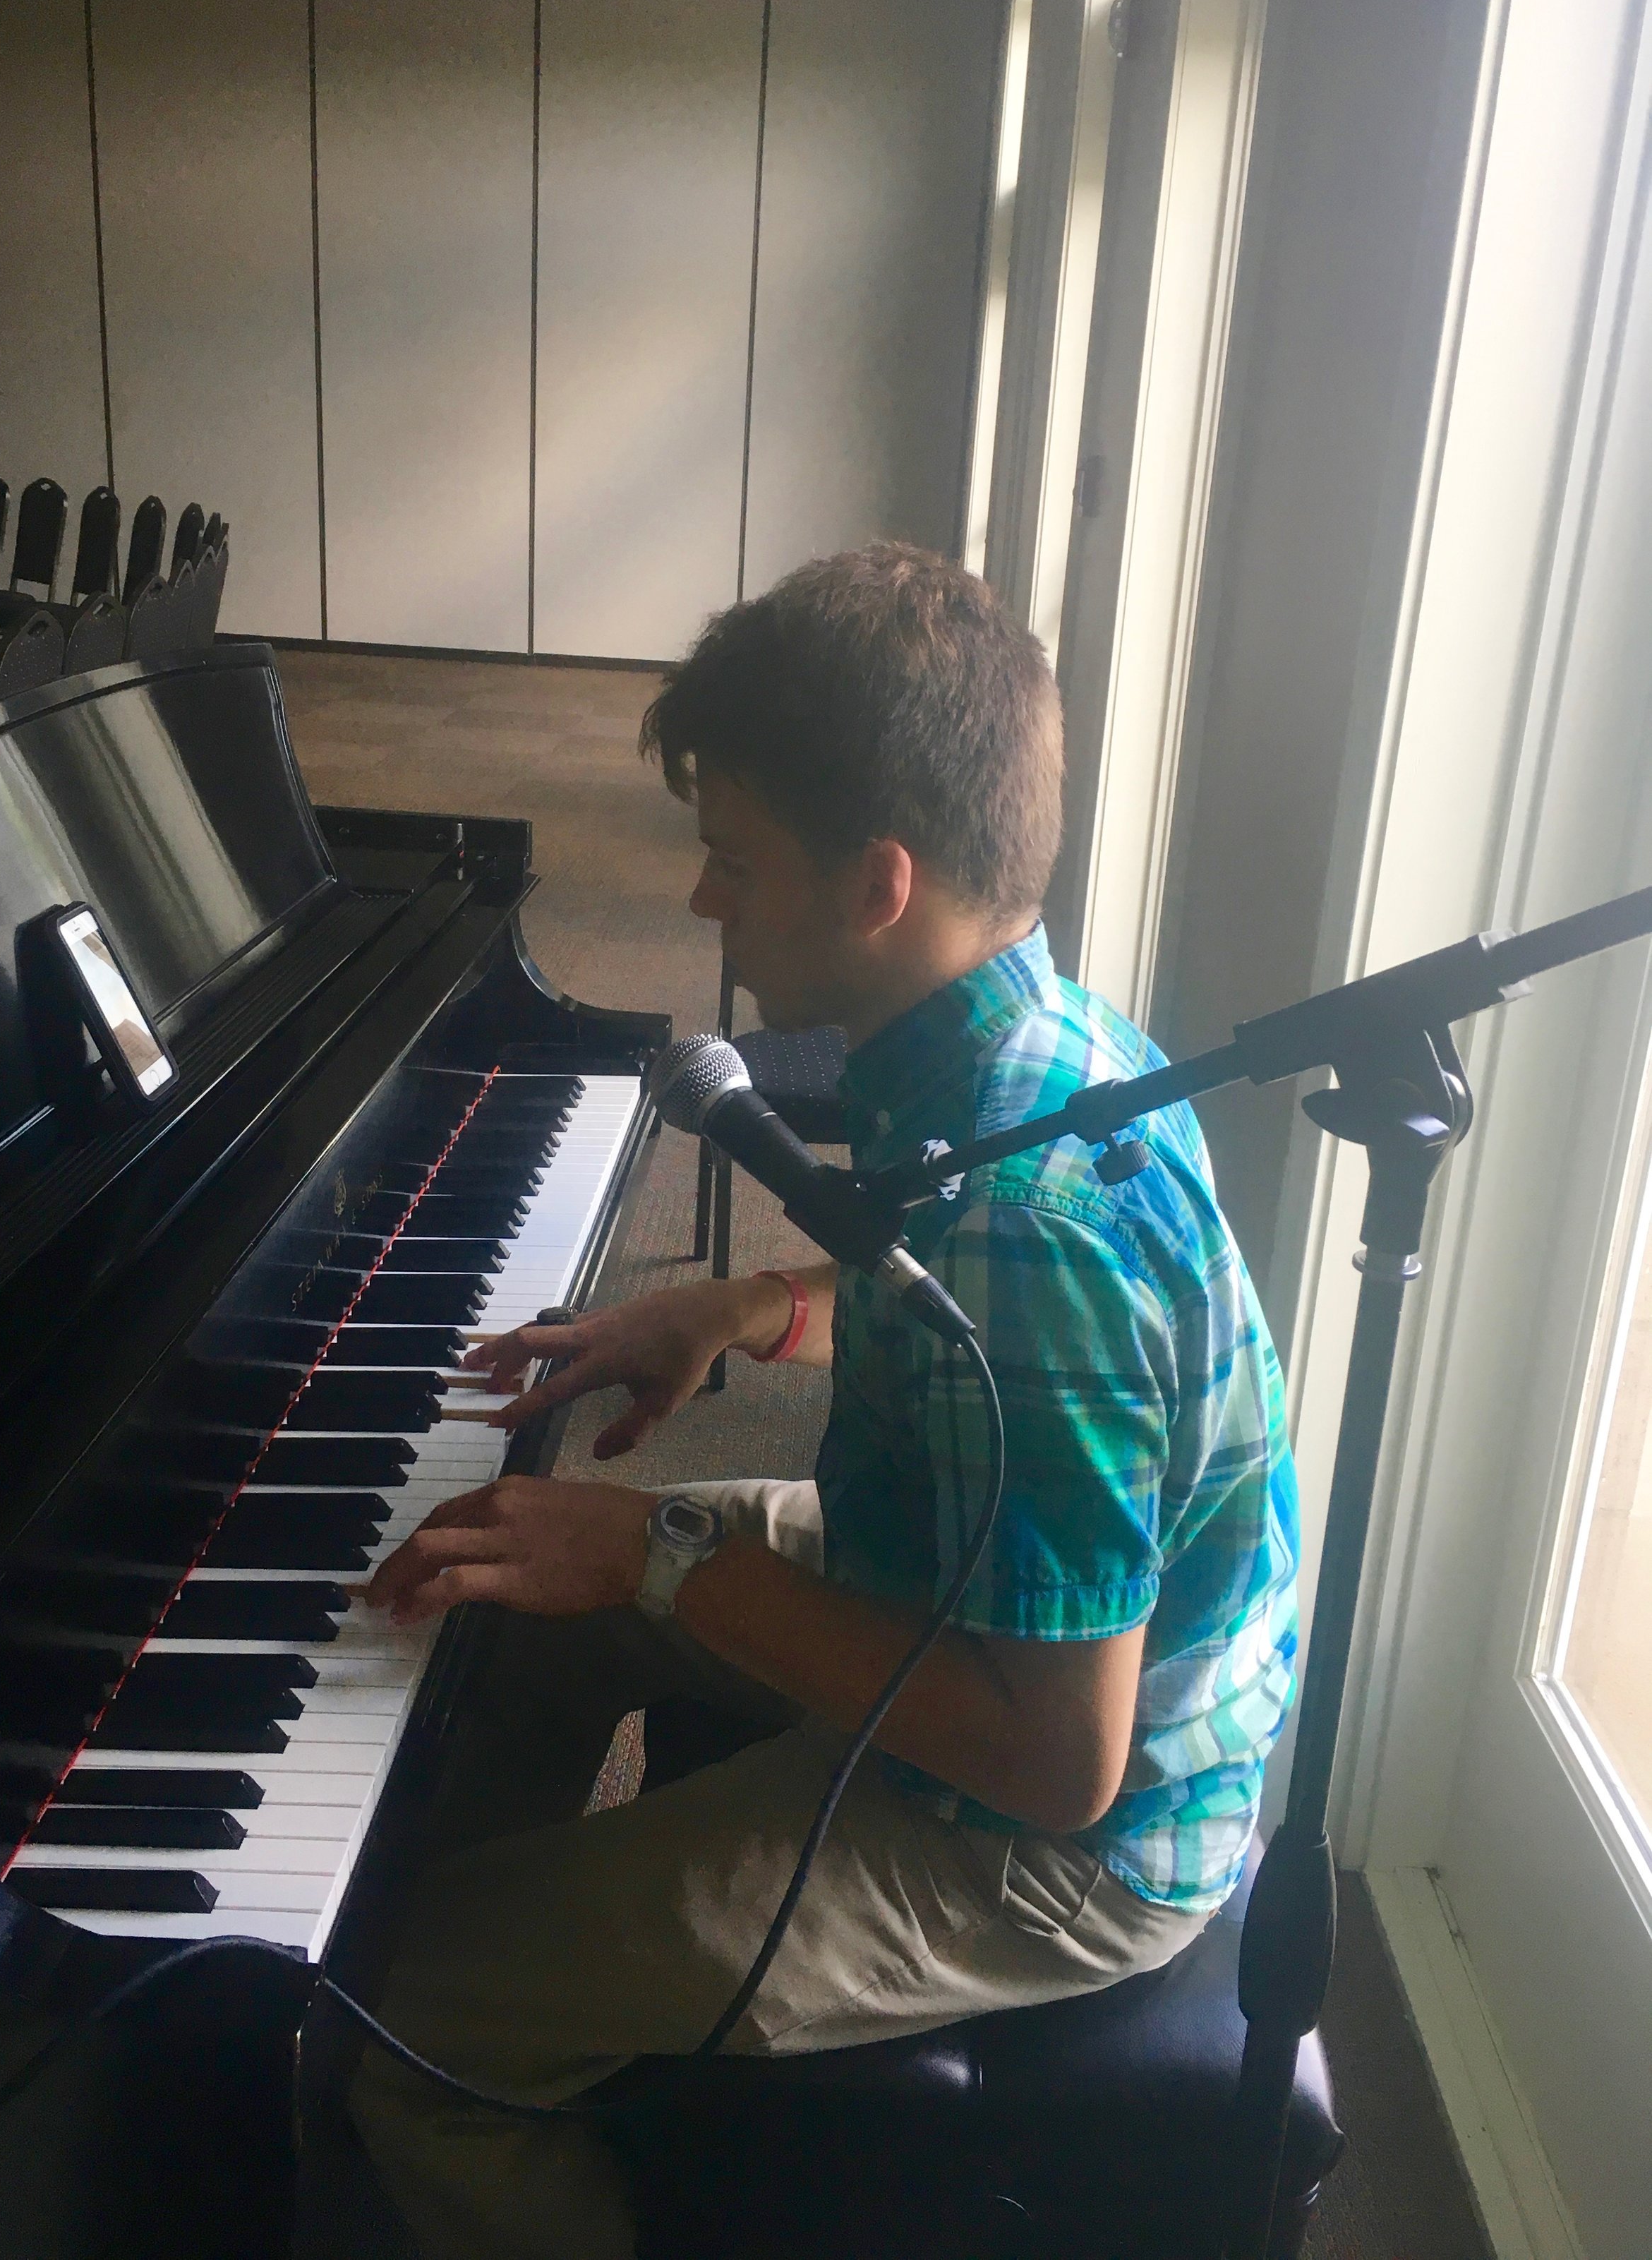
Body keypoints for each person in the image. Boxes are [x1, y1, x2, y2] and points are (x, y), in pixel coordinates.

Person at [350, 544, 1300, 2259]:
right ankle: (543, 1979)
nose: (703, 906)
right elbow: (944, 1329)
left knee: (398, 2004)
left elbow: (1053, 1759)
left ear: (876, 881)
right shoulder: (1030, 1046)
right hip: (946, 1567)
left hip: (1063, 1821)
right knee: (505, 1578)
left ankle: (468, 2042)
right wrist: (735, 1306)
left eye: (728, 862)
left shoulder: (1035, 1225)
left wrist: (655, 1559)